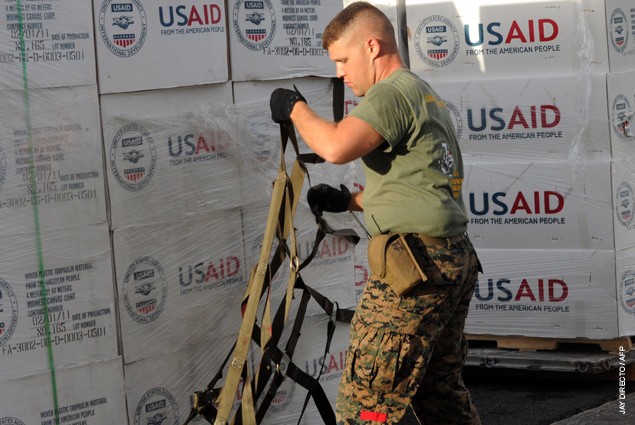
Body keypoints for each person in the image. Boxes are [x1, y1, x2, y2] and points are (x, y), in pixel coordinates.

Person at [269, 2, 482, 424]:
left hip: (415, 269)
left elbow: (333, 147)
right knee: (439, 394)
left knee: (365, 401)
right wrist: (350, 201)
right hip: (451, 258)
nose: (340, 74)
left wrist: (294, 107)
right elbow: (420, 184)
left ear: (372, 46)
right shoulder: (421, 92)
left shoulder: (391, 92)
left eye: (343, 60)